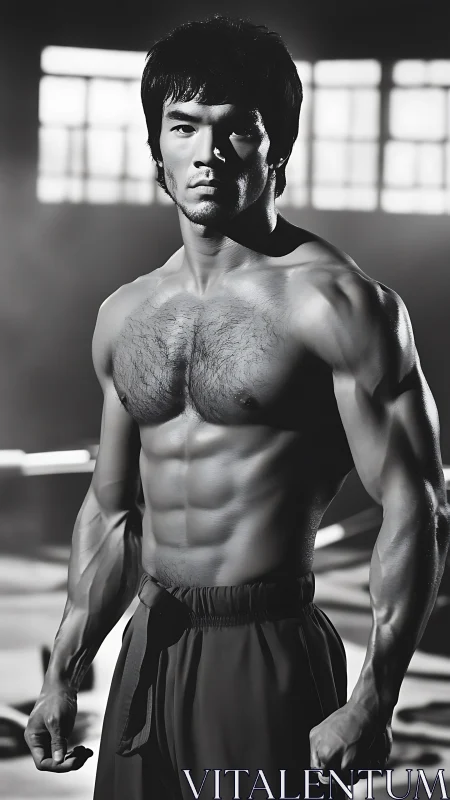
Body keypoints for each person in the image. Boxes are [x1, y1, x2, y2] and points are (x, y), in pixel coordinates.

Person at [24, 15, 449, 800]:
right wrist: (64, 672)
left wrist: (374, 699)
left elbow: (414, 504)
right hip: (151, 645)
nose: (207, 153)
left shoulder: (338, 305)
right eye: (184, 126)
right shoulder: (126, 314)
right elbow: (113, 514)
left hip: (266, 647)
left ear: (276, 148)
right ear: (156, 146)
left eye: (236, 130)